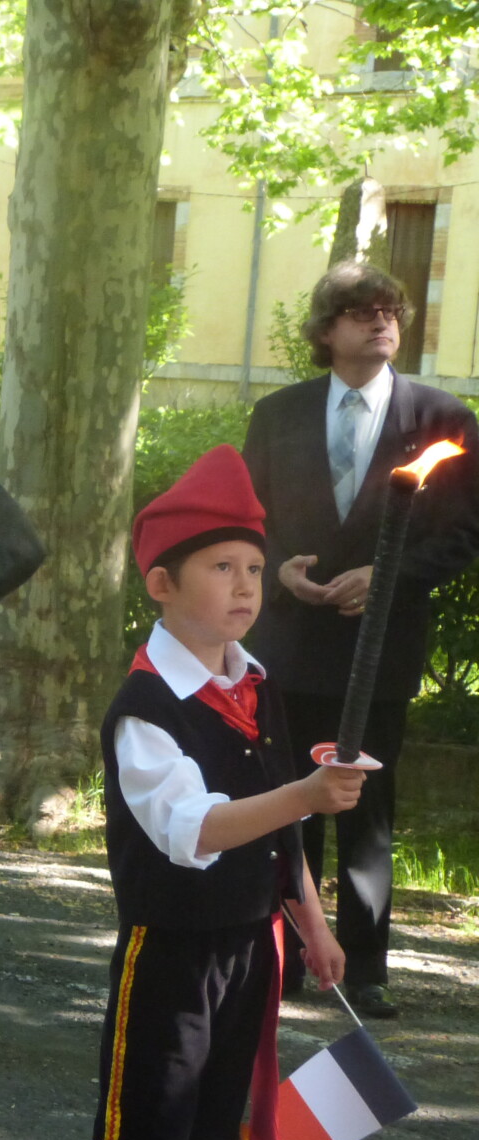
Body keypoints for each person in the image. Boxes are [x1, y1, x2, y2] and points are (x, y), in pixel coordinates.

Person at [56, 445, 360, 1140]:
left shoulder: (257, 683)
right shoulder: (146, 707)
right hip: (172, 949)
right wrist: (308, 793)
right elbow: (197, 831)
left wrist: (310, 919)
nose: (244, 587)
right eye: (220, 568)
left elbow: (280, 824)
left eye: (255, 570)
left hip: (251, 945)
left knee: (204, 1134)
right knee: (144, 1129)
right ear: (161, 582)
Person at [244, 262, 479, 1020]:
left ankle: (366, 968)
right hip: (290, 639)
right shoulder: (277, 414)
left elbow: (466, 531)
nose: (382, 322)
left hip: (380, 647)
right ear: (325, 331)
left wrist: (391, 574)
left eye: (391, 311)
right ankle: (284, 956)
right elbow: (250, 516)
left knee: (368, 805)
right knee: (288, 802)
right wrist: (280, 570)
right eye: (361, 312)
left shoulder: (445, 419)